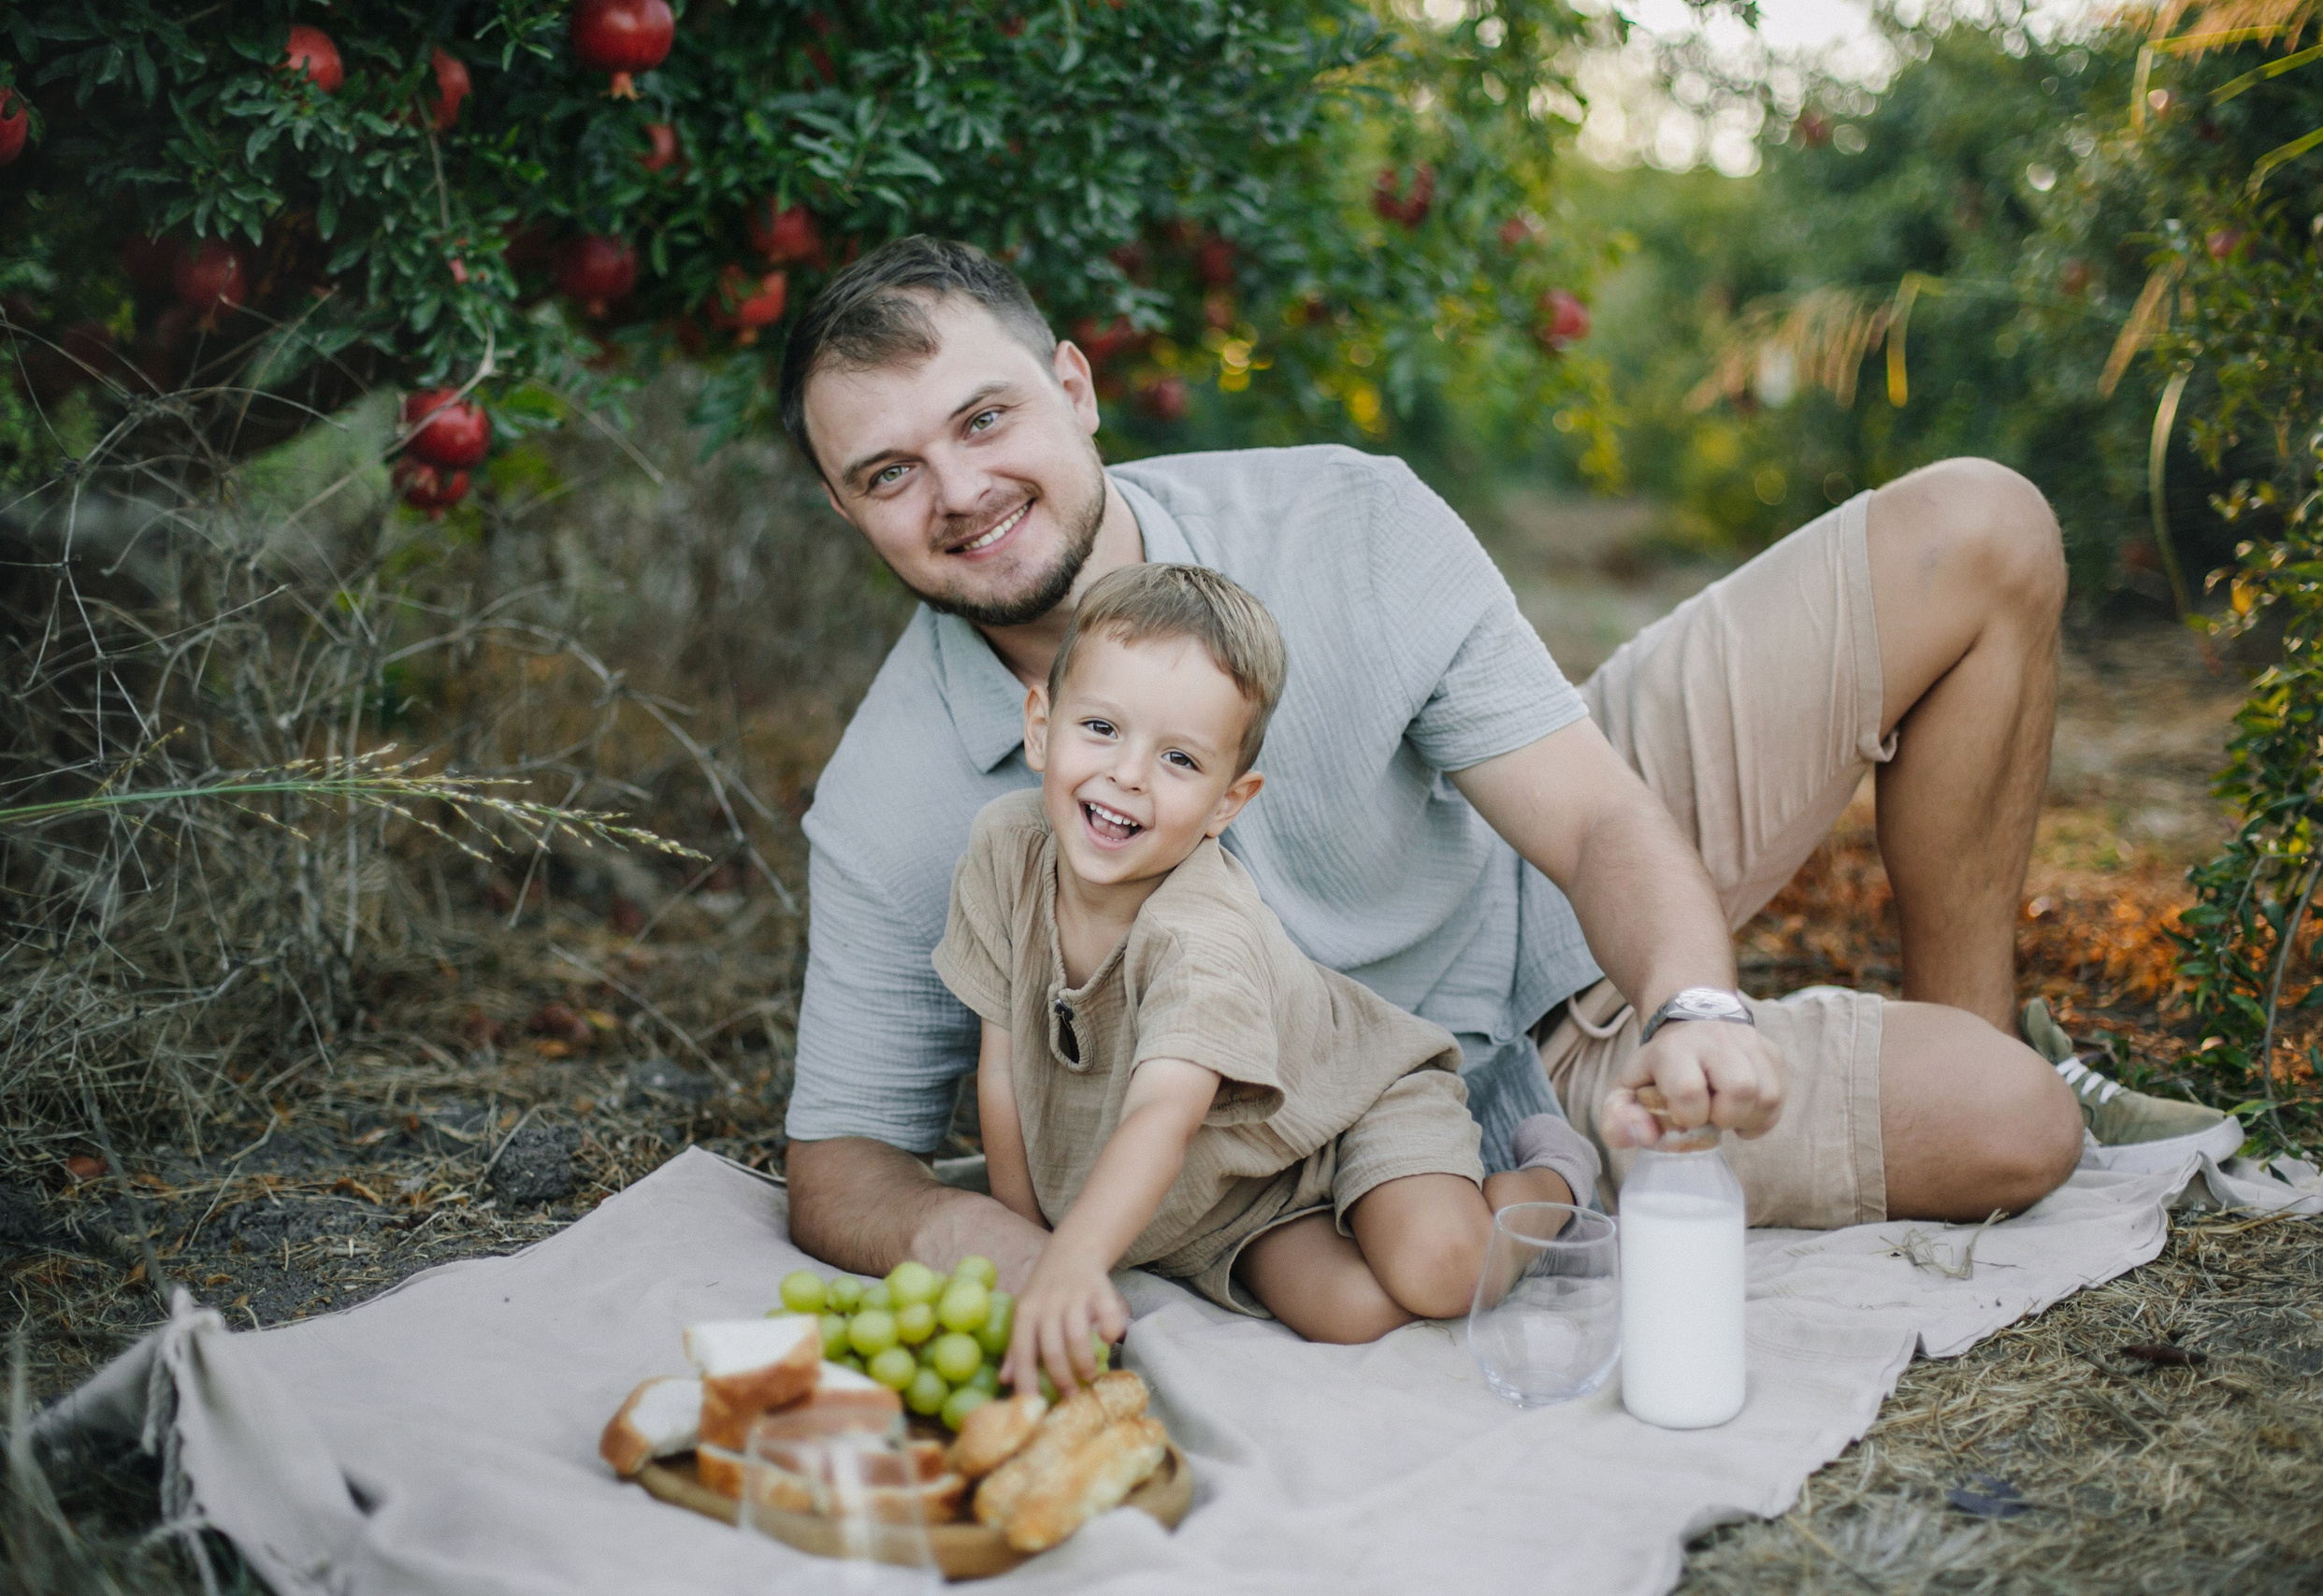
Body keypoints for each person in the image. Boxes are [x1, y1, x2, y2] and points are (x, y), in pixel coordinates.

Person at [775, 235, 2241, 1289]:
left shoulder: (1342, 518)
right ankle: (1932, 1087)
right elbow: (842, 1163)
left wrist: (1693, 1003)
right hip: (1431, 1130)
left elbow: (1596, 816)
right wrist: (1015, 1251)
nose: (959, 490)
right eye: (889, 473)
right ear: (847, 510)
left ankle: (1978, 1017)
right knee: (2013, 1129)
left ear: (1076, 388)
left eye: (985, 418)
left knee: (1979, 525)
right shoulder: (890, 800)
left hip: (1540, 884)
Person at [936, 561, 1601, 1383]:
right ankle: (1338, 1219)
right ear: (1041, 727)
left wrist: (1075, 1261)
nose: (1128, 774)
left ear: (1228, 801)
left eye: (1180, 759)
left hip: (1354, 1098)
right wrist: (1032, 1258)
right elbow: (1003, 1071)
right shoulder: (1005, 851)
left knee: (1441, 1272)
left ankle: (1550, 1179)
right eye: (1101, 727)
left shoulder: (1201, 932)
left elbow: (1163, 1114)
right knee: (1353, 1311)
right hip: (1234, 1183)